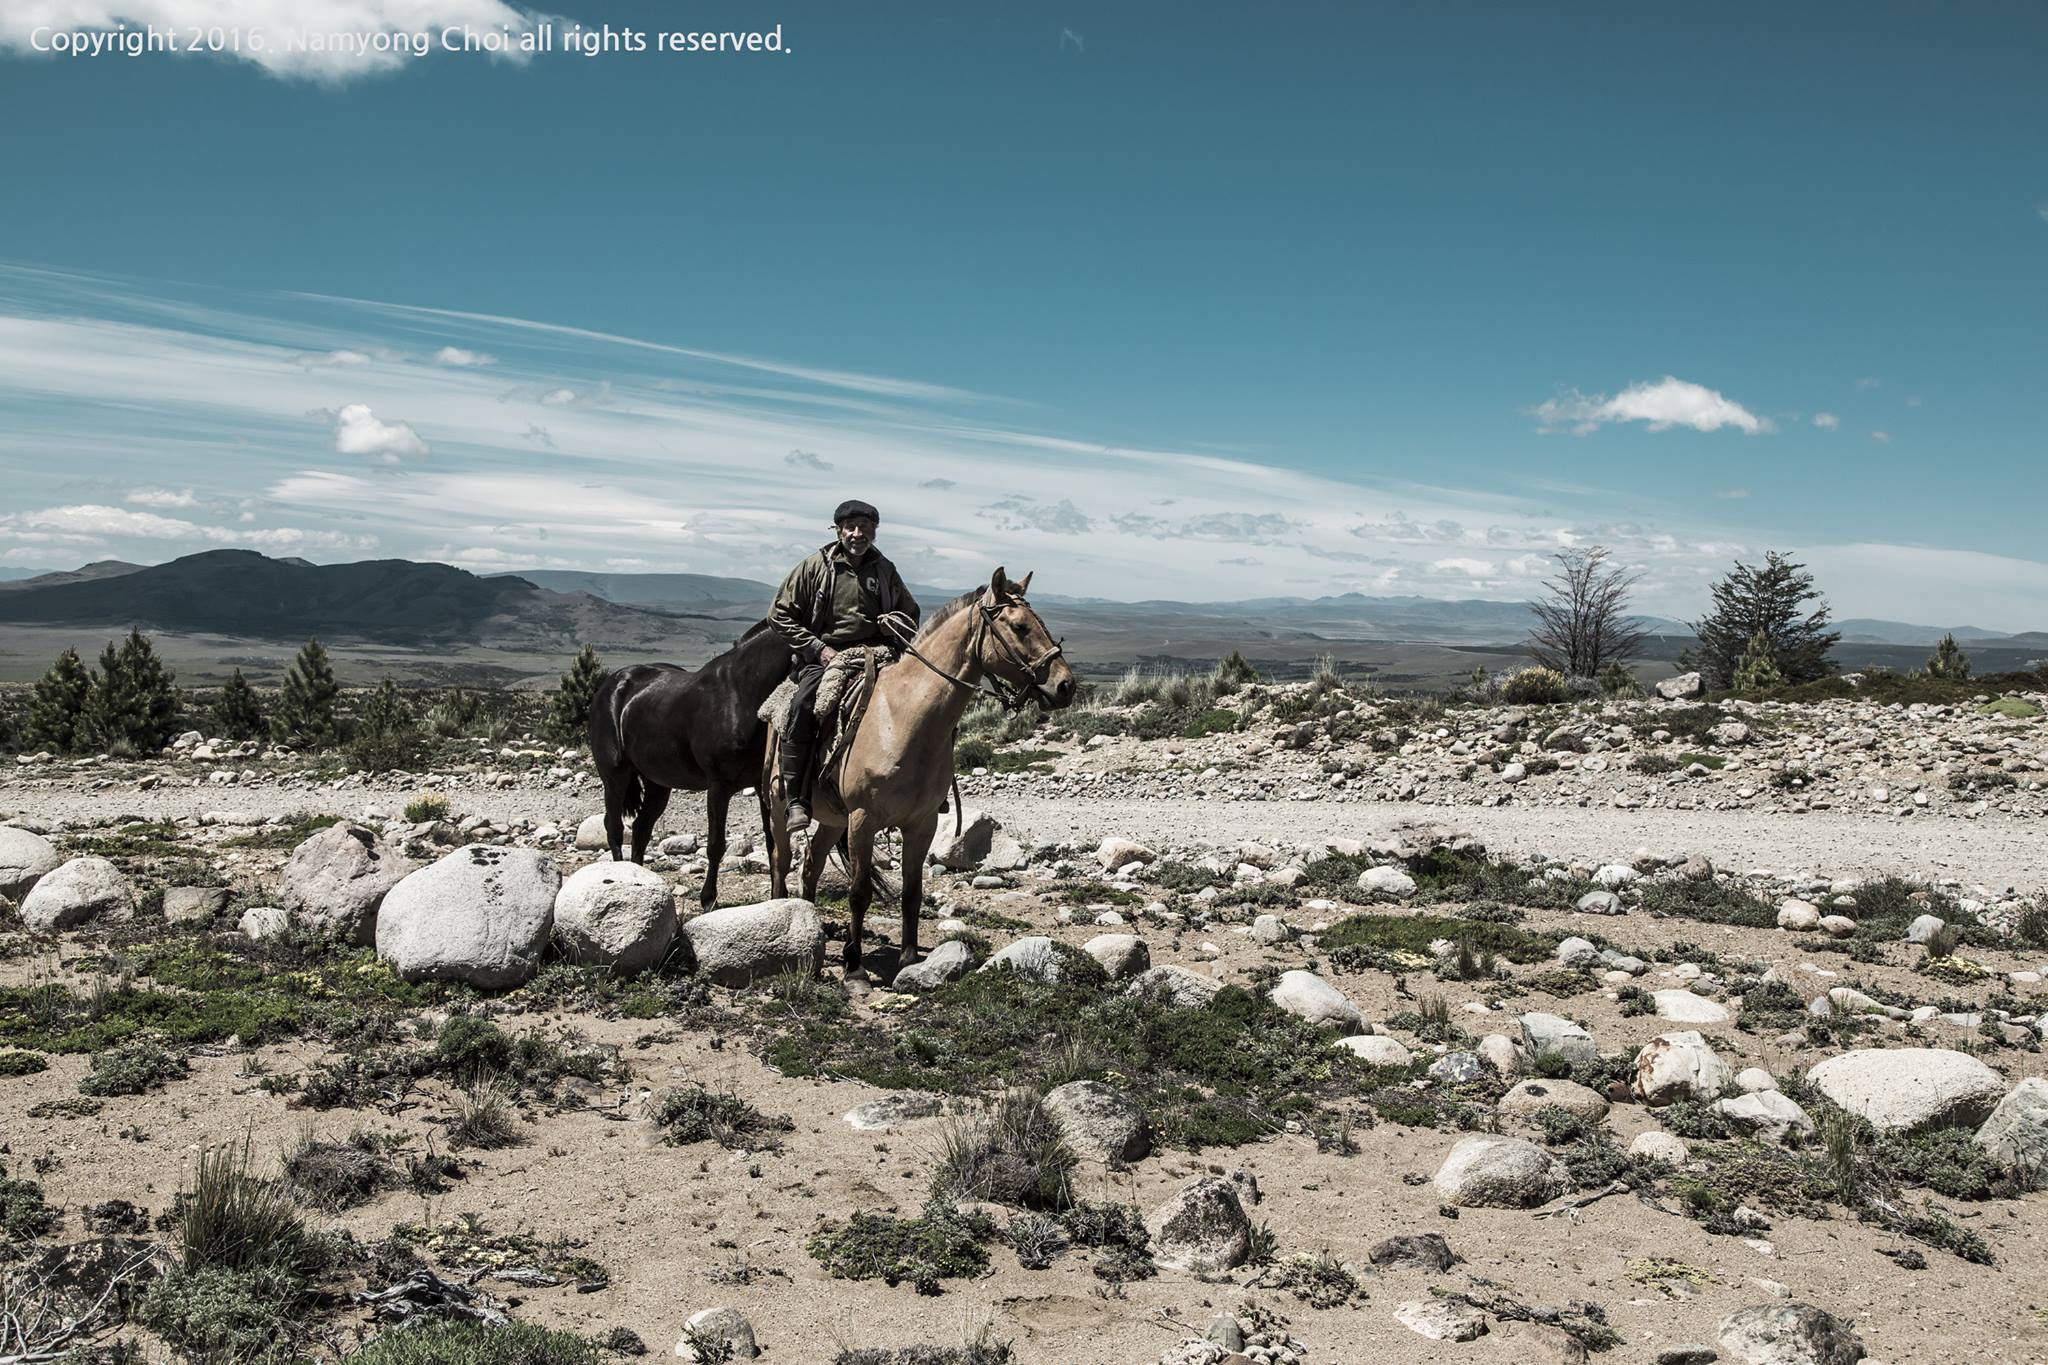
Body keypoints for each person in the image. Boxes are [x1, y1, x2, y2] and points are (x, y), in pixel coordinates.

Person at [768, 499, 920, 829]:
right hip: (826, 655)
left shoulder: (885, 570)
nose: (858, 533)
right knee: (804, 705)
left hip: (878, 654)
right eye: (851, 527)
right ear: (839, 530)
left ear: (874, 532)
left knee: (921, 701)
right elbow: (778, 614)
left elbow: (911, 613)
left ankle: (924, 790)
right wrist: (816, 648)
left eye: (866, 528)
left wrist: (895, 626)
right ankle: (797, 799)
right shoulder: (814, 567)